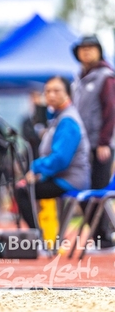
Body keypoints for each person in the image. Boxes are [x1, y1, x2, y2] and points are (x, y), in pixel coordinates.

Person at [15, 76, 91, 230]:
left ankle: (37, 237)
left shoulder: (68, 120)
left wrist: (36, 168)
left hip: (71, 179)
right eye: (48, 91)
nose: (51, 95)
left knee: (22, 191)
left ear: (68, 94)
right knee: (24, 187)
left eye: (56, 91)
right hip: (61, 176)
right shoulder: (58, 117)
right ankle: (39, 235)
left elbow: (61, 159)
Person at [71, 35, 115, 247]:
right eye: (83, 48)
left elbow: (111, 110)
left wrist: (104, 142)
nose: (86, 51)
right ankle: (100, 237)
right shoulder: (78, 79)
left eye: (91, 47)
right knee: (83, 189)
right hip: (83, 146)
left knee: (98, 190)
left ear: (99, 51)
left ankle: (104, 238)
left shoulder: (106, 77)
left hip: (100, 145)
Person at [21, 90, 48, 160]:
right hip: (32, 155)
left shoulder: (47, 116)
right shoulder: (27, 120)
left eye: (37, 97)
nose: (35, 101)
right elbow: (27, 136)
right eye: (33, 98)